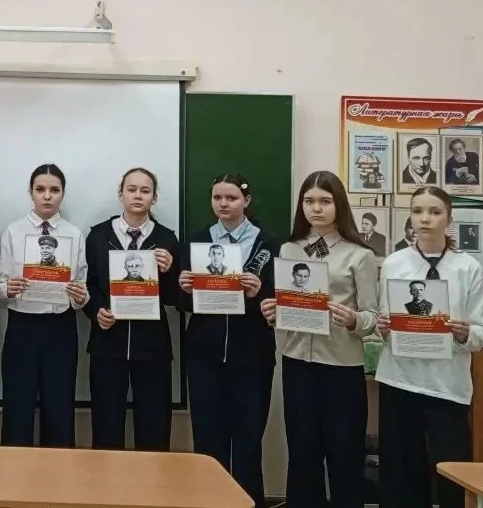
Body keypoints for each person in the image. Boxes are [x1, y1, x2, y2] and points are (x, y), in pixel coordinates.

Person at [260, 170, 378, 508]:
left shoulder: (360, 254)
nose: (316, 208)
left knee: (344, 453)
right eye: (309, 201)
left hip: (342, 367)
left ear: (338, 205)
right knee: (302, 453)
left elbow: (372, 317)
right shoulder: (289, 249)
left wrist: (354, 319)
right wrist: (273, 311)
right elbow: (288, 307)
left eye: (325, 201)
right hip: (298, 363)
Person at [376, 186, 483, 508]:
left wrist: (464, 334)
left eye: (435, 212)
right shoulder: (394, 263)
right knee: (401, 473)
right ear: (410, 217)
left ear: (449, 219)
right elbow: (385, 319)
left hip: (447, 385)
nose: (425, 219)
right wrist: (383, 328)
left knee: (451, 472)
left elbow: (479, 329)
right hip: (400, 379)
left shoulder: (468, 267)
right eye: (418, 211)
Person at [178, 172, 277, 508]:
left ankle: (249, 502)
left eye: (231, 198)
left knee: (248, 441)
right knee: (208, 439)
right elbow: (182, 303)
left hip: (252, 354)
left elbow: (281, 299)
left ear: (246, 201)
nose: (223, 204)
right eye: (217, 197)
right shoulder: (196, 241)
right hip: (204, 354)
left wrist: (259, 291)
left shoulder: (268, 243)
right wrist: (184, 288)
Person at [84, 167, 179, 451]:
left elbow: (175, 298)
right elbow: (87, 284)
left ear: (154, 198)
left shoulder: (167, 239)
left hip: (152, 347)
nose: (138, 195)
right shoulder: (99, 235)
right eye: (132, 189)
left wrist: (170, 271)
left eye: (145, 191)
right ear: (121, 194)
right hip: (107, 344)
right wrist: (96, 311)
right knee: (106, 426)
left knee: (154, 428)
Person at [0, 163, 88, 448]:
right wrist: (6, 289)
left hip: (60, 328)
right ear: (31, 193)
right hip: (22, 326)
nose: (47, 196)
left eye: (54, 190)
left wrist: (80, 297)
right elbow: (0, 284)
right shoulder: (13, 231)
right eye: (40, 190)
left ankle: (59, 472)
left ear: (63, 194)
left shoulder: (74, 234)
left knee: (59, 408)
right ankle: (15, 471)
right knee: (17, 407)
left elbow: (82, 288)